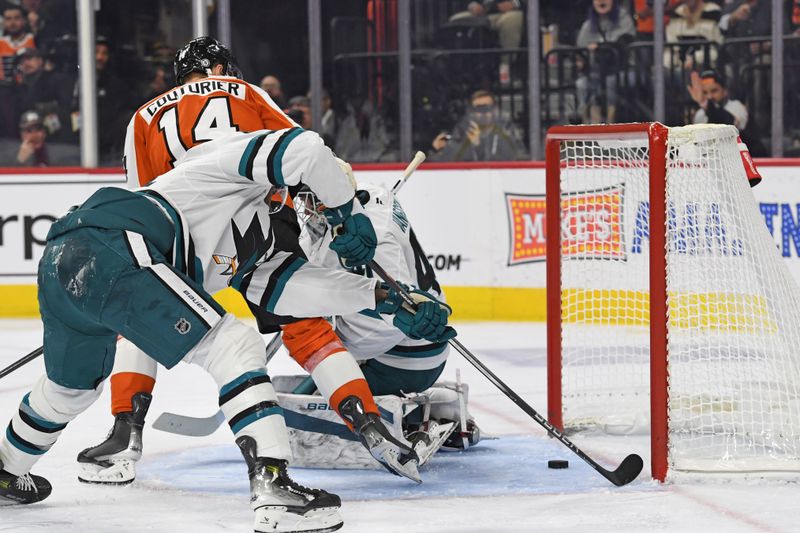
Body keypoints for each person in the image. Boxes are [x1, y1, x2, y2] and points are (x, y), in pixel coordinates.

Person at [0, 122, 453, 532]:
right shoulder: (229, 164)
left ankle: (6, 467)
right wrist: (346, 210)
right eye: (318, 198)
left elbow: (291, 291)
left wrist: (384, 300)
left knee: (70, 388)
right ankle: (273, 486)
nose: (317, 212)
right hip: (117, 243)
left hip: (68, 255)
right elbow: (305, 147)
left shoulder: (263, 234)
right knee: (232, 342)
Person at [80, 37, 440, 486]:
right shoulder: (246, 93)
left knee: (137, 318)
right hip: (258, 226)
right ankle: (368, 422)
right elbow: (305, 153)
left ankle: (124, 435)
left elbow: (141, 202)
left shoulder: (144, 116)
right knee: (306, 325)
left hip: (189, 230)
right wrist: (336, 211)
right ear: (223, 67)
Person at [575, 0, 635, 124]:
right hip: (595, 71)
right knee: (582, 84)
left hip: (621, 69)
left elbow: (624, 44)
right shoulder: (588, 26)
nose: (601, 1)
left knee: (610, 82)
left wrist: (601, 47)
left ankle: (610, 123)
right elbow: (580, 51)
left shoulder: (624, 20)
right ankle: (589, 125)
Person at [430, 89, 527, 161]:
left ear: (495, 110)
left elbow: (516, 158)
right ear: (471, 112)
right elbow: (448, 163)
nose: (483, 112)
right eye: (478, 108)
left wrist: (478, 145)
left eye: (487, 107)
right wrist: (440, 150)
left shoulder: (506, 131)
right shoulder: (462, 133)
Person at [9, 109, 78, 166]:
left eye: (38, 129)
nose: (34, 135)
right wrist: (21, 161)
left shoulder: (57, 155)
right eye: (29, 130)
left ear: (44, 133)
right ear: (22, 135)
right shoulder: (10, 157)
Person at [0, 5, 36, 81]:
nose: (12, 23)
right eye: (8, 19)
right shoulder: (1, 42)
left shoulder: (35, 40)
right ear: (4, 22)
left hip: (29, 87)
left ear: (24, 20)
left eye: (17, 18)